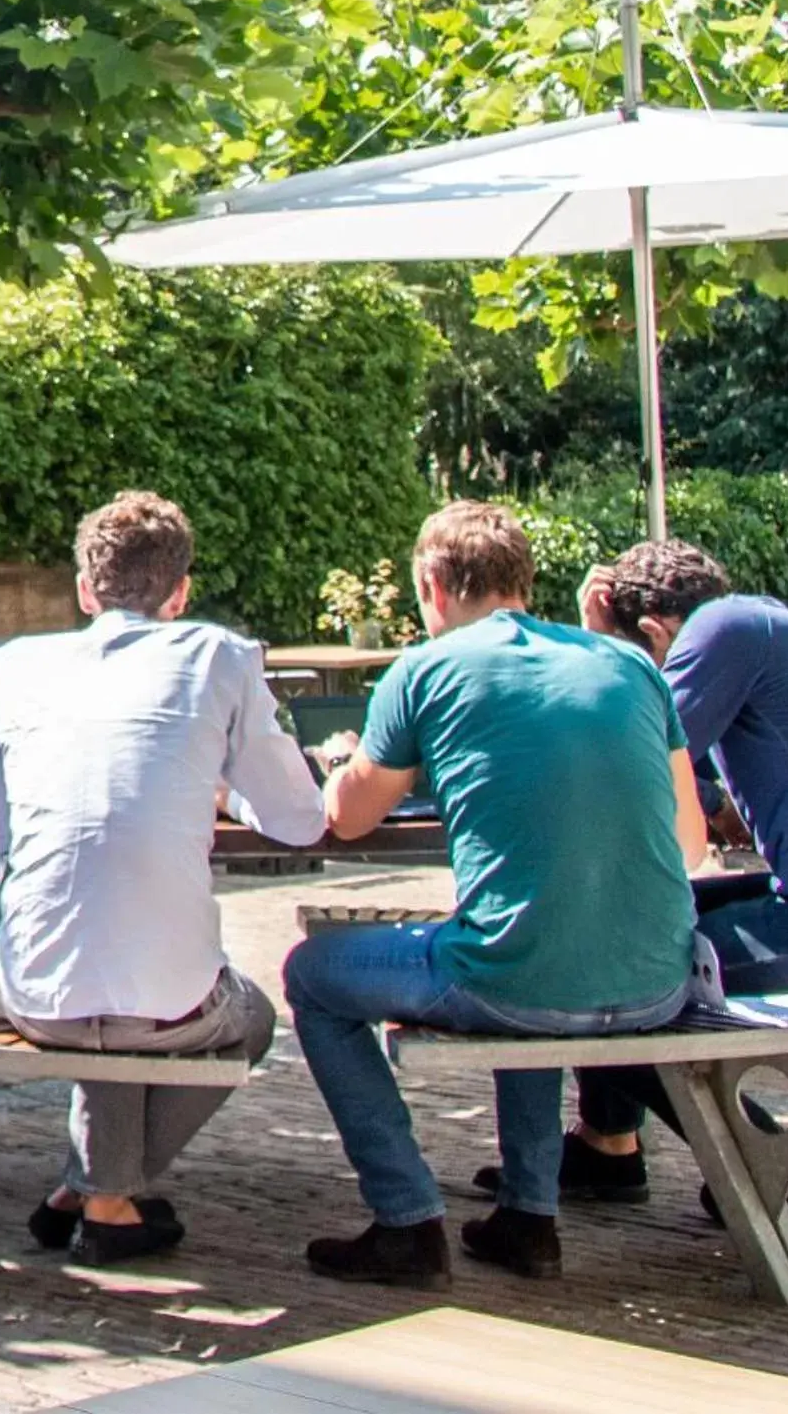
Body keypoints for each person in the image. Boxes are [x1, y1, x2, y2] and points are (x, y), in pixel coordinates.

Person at [289, 502, 703, 1289]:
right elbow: (689, 839)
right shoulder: (632, 666)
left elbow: (346, 819)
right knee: (522, 926)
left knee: (315, 973)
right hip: (659, 980)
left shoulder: (422, 669)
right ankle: (527, 1218)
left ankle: (406, 1218)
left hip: (517, 976)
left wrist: (351, 758)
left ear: (431, 585)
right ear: (526, 579)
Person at [0, 491, 324, 1267]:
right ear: (180, 592)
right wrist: (221, 786)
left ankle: (88, 1188)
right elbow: (300, 819)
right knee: (246, 1015)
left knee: (106, 982)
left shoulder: (11, 667)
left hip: (37, 994)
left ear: (85, 589)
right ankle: (107, 1196)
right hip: (168, 1003)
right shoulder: (218, 656)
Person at [492, 539, 788, 1226]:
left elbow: (624, 755)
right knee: (610, 934)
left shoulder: (720, 632)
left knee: (600, 970)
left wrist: (588, 647)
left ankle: (784, 1170)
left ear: (651, 633)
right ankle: (607, 1140)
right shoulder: (764, 627)